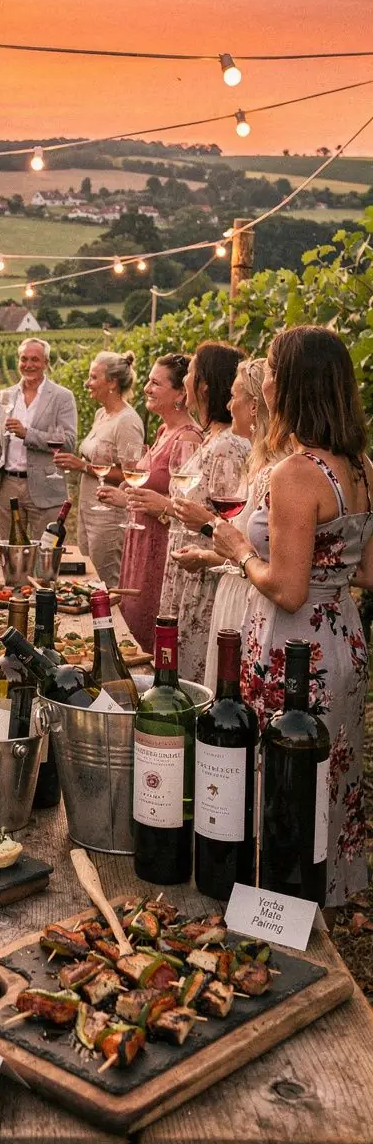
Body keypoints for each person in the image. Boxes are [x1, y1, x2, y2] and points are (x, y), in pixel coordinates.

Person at [212, 327, 373, 908]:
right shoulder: (360, 468)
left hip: (295, 646)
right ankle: (318, 895)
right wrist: (323, 568)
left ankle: (277, 901)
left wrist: (238, 550)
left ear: (294, 384)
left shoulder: (294, 473)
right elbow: (368, 571)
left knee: (285, 772)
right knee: (328, 772)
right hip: (344, 639)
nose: (267, 380)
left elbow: (285, 588)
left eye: (274, 369)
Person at [96, 353, 200, 653]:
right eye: (148, 381)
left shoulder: (189, 439)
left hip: (160, 549)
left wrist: (133, 500)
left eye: (155, 383)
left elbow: (189, 507)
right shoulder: (162, 431)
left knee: (147, 635)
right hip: (140, 541)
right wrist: (126, 496)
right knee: (132, 627)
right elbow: (147, 488)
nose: (146, 388)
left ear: (181, 393)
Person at [163, 340, 249, 679]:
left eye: (191, 372)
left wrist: (202, 527)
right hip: (188, 577)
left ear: (204, 384)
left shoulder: (228, 445)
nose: (184, 379)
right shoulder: (210, 438)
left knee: (196, 685)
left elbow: (232, 527)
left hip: (206, 584)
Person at [197, 359, 277, 692]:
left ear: (255, 406)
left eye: (234, 396)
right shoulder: (258, 461)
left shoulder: (277, 470)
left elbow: (262, 552)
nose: (228, 405)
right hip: (238, 592)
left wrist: (205, 524)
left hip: (252, 600)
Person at [52, 350, 144, 587]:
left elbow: (131, 475)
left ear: (112, 382)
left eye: (93, 377)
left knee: (105, 582)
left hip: (109, 515)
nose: (87, 383)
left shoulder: (128, 422)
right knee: (88, 580)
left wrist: (82, 466)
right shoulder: (101, 414)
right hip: (88, 507)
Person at [0, 337, 77, 541]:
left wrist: (27, 434)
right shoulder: (6, 396)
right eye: (23, 359)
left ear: (46, 363)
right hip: (7, 486)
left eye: (35, 359)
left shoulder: (62, 397)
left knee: (43, 558)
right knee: (10, 556)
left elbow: (69, 442)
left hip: (45, 487)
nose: (28, 365)